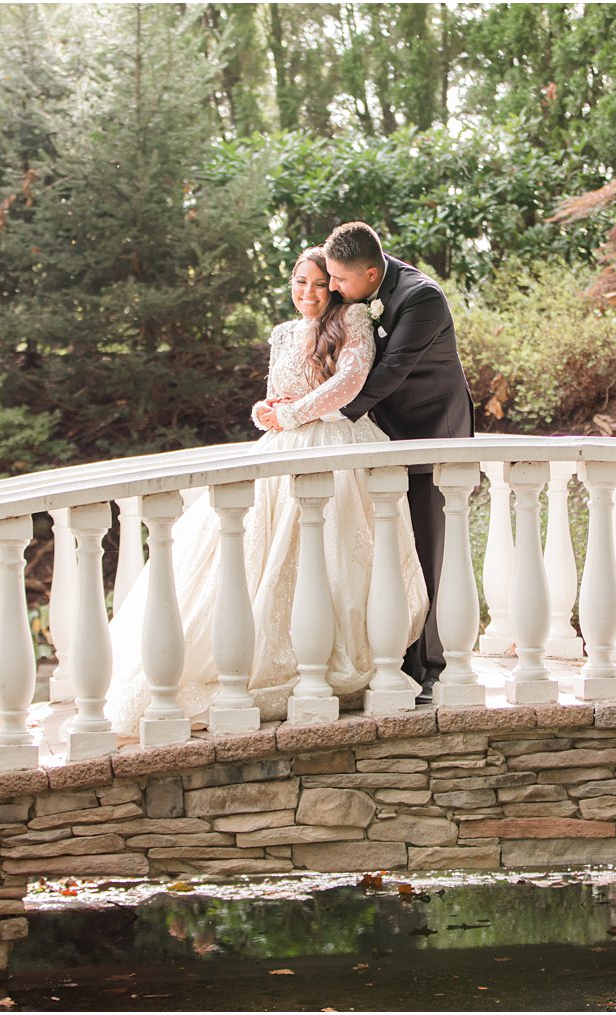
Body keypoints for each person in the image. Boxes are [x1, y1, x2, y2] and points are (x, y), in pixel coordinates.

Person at [105, 247, 428, 732]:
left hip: (334, 444)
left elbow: (350, 380)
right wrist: (266, 412)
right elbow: (277, 393)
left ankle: (333, 662)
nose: (309, 293)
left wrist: (292, 414)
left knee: (338, 552)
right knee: (255, 550)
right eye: (301, 282)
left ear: (336, 287)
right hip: (281, 449)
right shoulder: (282, 334)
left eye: (320, 283)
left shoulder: (355, 319)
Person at [322, 223, 474, 703]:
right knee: (389, 547)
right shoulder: (357, 294)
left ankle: (433, 665)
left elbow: (390, 371)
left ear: (370, 273)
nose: (332, 288)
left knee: (429, 550)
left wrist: (332, 416)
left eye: (340, 280)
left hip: (432, 433)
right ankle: (395, 655)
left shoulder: (421, 298)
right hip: (386, 435)